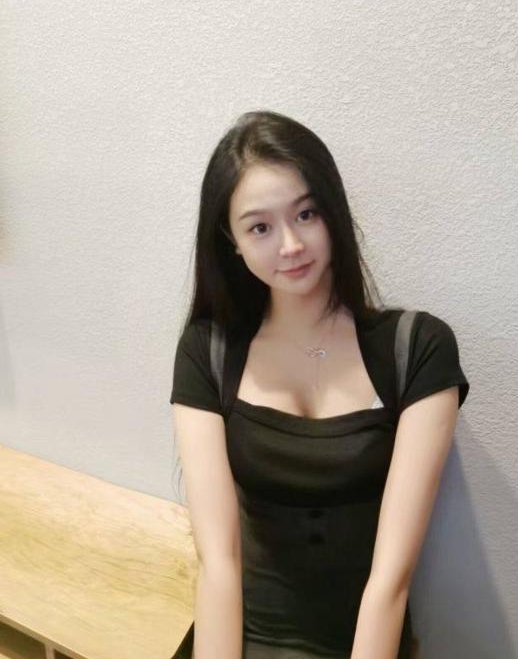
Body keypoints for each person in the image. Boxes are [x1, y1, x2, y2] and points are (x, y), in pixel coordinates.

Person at [170, 109, 470, 659]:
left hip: (363, 640)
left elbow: (391, 581)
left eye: (306, 214)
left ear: (333, 211)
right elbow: (219, 563)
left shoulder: (416, 349)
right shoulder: (208, 352)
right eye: (260, 227)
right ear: (232, 240)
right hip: (241, 636)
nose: (290, 244)